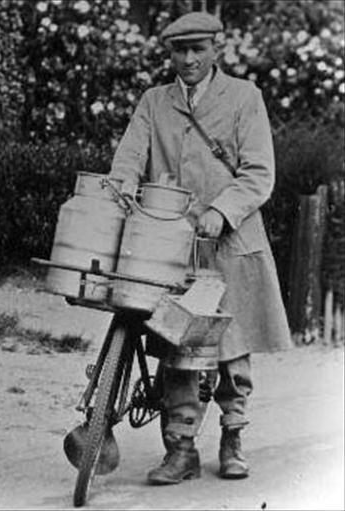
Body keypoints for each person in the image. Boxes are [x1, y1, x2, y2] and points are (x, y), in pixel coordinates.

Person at [108, 11, 292, 484]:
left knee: (231, 342)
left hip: (231, 241)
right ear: (168, 53)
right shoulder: (154, 101)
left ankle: (233, 437)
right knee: (178, 341)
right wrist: (124, 183)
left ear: (216, 49)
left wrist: (222, 210)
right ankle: (181, 447)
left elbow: (258, 173)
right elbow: (130, 155)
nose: (188, 59)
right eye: (179, 50)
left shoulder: (244, 98)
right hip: (171, 242)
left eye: (197, 49)